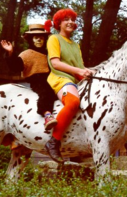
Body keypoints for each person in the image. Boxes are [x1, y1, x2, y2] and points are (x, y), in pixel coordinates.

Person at [43, 8, 95, 163]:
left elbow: (80, 67)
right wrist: (79, 71)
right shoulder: (54, 39)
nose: (71, 22)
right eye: (66, 19)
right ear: (59, 23)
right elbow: (55, 63)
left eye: (73, 19)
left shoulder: (75, 45)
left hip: (75, 80)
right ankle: (53, 142)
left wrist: (88, 73)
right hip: (60, 78)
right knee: (73, 102)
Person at [0, 24, 57, 149]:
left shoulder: (50, 53)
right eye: (35, 37)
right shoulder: (26, 54)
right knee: (46, 90)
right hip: (38, 80)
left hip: (53, 79)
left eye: (41, 37)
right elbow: (16, 67)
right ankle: (47, 114)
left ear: (44, 39)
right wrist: (10, 53)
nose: (38, 40)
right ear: (30, 39)